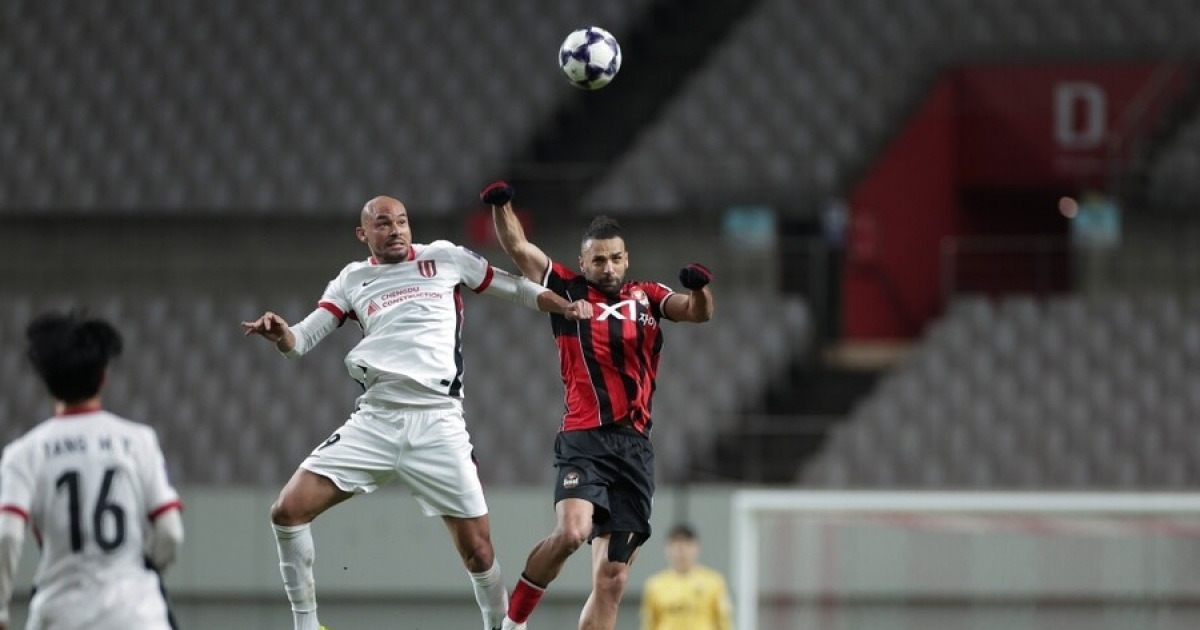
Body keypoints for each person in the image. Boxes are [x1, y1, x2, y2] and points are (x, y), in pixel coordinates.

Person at [241, 195, 591, 630]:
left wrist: (563, 305)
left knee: (479, 551)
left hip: (438, 420)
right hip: (377, 417)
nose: (396, 230)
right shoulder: (352, 279)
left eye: (402, 221)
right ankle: (306, 625)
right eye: (383, 224)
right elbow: (301, 342)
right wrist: (281, 335)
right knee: (286, 511)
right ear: (363, 234)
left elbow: (515, 286)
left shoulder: (444, 257)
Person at [481, 181, 715, 630]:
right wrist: (502, 204)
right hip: (584, 439)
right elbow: (517, 246)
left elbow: (697, 312)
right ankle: (512, 623)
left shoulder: (647, 296)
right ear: (584, 260)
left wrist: (701, 289)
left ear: (626, 259)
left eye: (616, 258)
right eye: (599, 259)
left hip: (635, 450)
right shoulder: (566, 289)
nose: (608, 267)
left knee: (612, 580)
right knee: (572, 532)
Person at [0, 312, 185, 630]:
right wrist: (146, 568)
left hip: (62, 614)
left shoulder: (24, 452)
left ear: (48, 382)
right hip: (139, 616)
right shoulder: (138, 440)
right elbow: (170, 531)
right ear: (103, 377)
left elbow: (7, 534)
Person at [640, 524, 732, 630]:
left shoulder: (713, 582)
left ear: (696, 547)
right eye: (675, 544)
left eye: (687, 544)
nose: (681, 550)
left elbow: (724, 622)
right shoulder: (655, 585)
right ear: (667, 548)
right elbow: (649, 623)